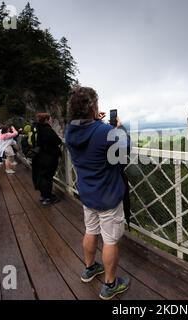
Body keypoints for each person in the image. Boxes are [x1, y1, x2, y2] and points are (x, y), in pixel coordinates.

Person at [65, 87, 131, 300]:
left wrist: (95, 121)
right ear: (93, 107)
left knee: (90, 230)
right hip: (108, 195)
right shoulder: (104, 132)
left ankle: (90, 268)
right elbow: (124, 151)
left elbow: (91, 135)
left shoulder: (70, 131)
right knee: (110, 240)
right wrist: (120, 129)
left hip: (87, 193)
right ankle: (110, 284)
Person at [32, 113, 62, 205]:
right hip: (48, 156)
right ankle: (47, 198)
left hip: (38, 156)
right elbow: (58, 141)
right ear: (46, 120)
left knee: (41, 176)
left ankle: (43, 195)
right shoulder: (47, 129)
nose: (51, 120)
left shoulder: (36, 129)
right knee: (47, 177)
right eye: (50, 119)